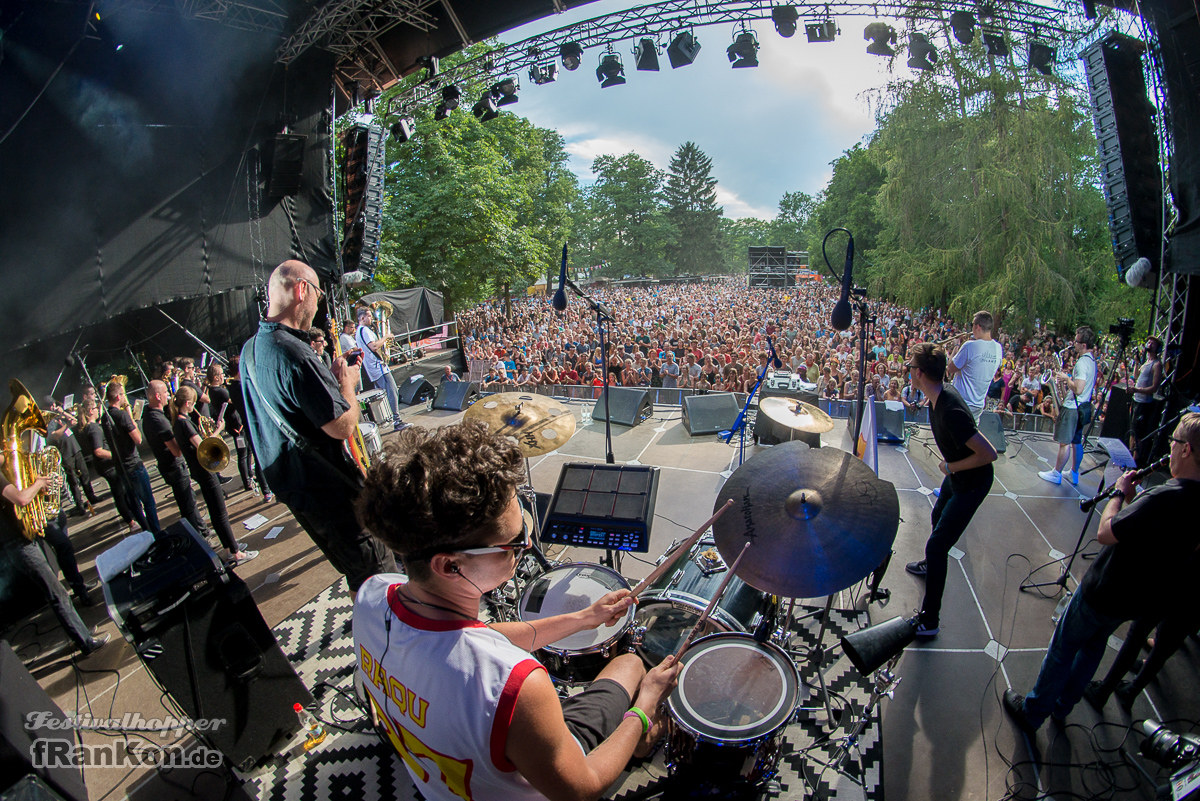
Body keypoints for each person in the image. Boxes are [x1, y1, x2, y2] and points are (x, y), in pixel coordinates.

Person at [353, 421, 681, 801]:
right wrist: (643, 708)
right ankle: (641, 740)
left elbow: (472, 640)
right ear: (449, 565)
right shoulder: (515, 685)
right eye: (512, 544)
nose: (527, 544)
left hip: (438, 778)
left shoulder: (373, 595)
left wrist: (584, 618)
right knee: (631, 666)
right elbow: (581, 788)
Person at [1004, 413, 1200, 732]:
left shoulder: (1164, 496)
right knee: (1094, 648)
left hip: (1105, 589)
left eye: (1174, 442)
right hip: (1135, 598)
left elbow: (1106, 533)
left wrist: (1119, 495)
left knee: (1064, 646)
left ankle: (1034, 711)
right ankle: (1064, 707)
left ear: (1187, 450)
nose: (1170, 448)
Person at [240, 260, 396, 593]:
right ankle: (391, 635)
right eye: (318, 294)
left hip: (297, 489)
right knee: (378, 573)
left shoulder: (251, 348)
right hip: (328, 487)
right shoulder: (293, 353)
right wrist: (348, 383)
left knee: (355, 569)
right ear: (301, 290)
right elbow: (341, 426)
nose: (318, 303)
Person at [903, 343, 998, 638]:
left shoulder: (951, 409)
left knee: (938, 545)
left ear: (919, 373)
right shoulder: (935, 397)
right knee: (937, 515)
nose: (908, 372)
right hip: (958, 477)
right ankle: (931, 566)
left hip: (972, 483)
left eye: (911, 368)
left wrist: (951, 467)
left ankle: (930, 621)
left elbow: (989, 454)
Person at [0, 453, 107, 655]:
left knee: (56, 591)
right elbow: (21, 499)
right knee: (57, 593)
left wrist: (39, 486)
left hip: (22, 537)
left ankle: (81, 632)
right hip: (18, 544)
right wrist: (38, 483)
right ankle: (85, 642)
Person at [172, 385, 257, 567]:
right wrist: (218, 430)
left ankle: (229, 547)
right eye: (193, 403)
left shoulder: (178, 422)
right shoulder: (184, 423)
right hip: (205, 471)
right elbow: (203, 446)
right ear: (187, 403)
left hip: (200, 471)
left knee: (217, 512)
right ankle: (235, 553)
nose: (195, 406)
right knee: (220, 513)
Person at [141, 380, 209, 537]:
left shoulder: (150, 415)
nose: (168, 395)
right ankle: (200, 535)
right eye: (165, 392)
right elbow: (177, 451)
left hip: (167, 467)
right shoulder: (158, 421)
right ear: (158, 396)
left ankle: (201, 529)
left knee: (188, 501)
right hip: (174, 467)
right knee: (188, 504)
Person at [1038, 326, 1098, 486]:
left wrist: (1066, 378)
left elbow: (1078, 388)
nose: (1073, 344)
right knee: (1076, 441)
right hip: (1083, 406)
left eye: (1076, 341)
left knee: (1064, 443)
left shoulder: (1082, 363)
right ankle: (1073, 473)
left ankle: (1056, 473)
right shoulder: (1092, 361)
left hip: (1072, 407)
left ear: (1084, 344)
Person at [104, 380, 163, 535]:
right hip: (133, 465)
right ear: (117, 396)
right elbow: (138, 439)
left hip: (120, 466)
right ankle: (156, 533)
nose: (124, 398)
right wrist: (131, 418)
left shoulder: (105, 417)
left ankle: (146, 532)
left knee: (135, 503)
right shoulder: (122, 415)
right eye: (123, 395)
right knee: (148, 502)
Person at [946, 311, 1003, 422]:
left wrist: (957, 345)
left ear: (977, 326)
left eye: (972, 325)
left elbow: (950, 368)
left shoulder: (969, 345)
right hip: (979, 404)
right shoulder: (998, 348)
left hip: (961, 402)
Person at [357, 307, 403, 432]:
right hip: (378, 368)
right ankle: (397, 421)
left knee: (388, 393)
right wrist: (386, 337)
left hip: (375, 368)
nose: (371, 319)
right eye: (369, 316)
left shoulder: (360, 331)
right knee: (392, 391)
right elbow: (374, 346)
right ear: (362, 318)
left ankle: (392, 419)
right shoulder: (365, 330)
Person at [1128, 336, 1163, 467]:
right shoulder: (1146, 362)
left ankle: (1135, 461)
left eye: (1152, 343)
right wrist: (1137, 362)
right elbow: (1136, 376)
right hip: (1136, 400)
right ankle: (1130, 457)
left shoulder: (1156, 364)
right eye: (1148, 342)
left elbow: (1154, 387)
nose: (1149, 344)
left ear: (1157, 348)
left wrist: (1137, 389)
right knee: (1132, 431)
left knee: (1138, 434)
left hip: (1144, 403)